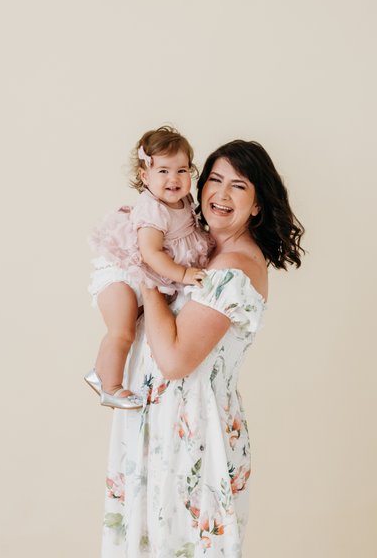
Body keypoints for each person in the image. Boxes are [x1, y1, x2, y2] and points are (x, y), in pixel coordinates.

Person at [100, 139, 304, 557]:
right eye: (214, 179)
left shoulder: (234, 267)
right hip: (163, 424)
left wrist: (146, 274)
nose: (221, 194)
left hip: (192, 433)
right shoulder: (204, 253)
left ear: (258, 205)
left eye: (239, 186)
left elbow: (174, 361)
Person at [85, 126, 212, 409]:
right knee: (122, 331)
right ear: (145, 176)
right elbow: (151, 253)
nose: (173, 179)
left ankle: (99, 373)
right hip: (122, 275)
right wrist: (183, 274)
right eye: (163, 171)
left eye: (181, 171)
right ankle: (111, 387)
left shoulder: (185, 202)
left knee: (133, 327)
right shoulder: (152, 207)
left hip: (145, 281)